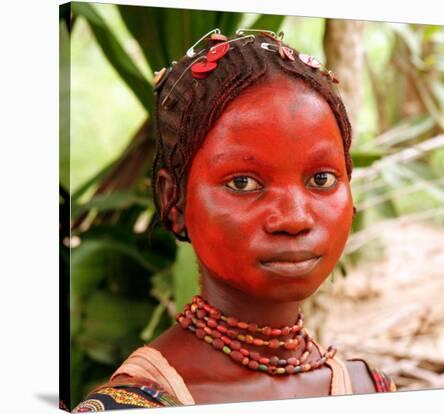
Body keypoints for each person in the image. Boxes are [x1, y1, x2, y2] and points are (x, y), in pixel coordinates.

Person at [72, 28, 396, 412]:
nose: (294, 218)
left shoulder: (370, 391)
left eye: (321, 179)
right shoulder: (137, 403)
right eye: (243, 183)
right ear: (173, 199)